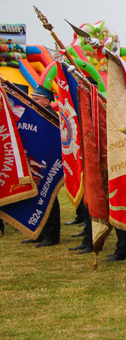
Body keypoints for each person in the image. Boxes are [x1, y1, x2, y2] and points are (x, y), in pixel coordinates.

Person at [28, 85, 60, 248]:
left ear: (46, 101)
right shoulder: (39, 115)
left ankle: (52, 235)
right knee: (38, 198)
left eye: (36, 99)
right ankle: (40, 232)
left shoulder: (51, 117)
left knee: (49, 198)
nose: (32, 102)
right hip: (38, 163)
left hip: (48, 163)